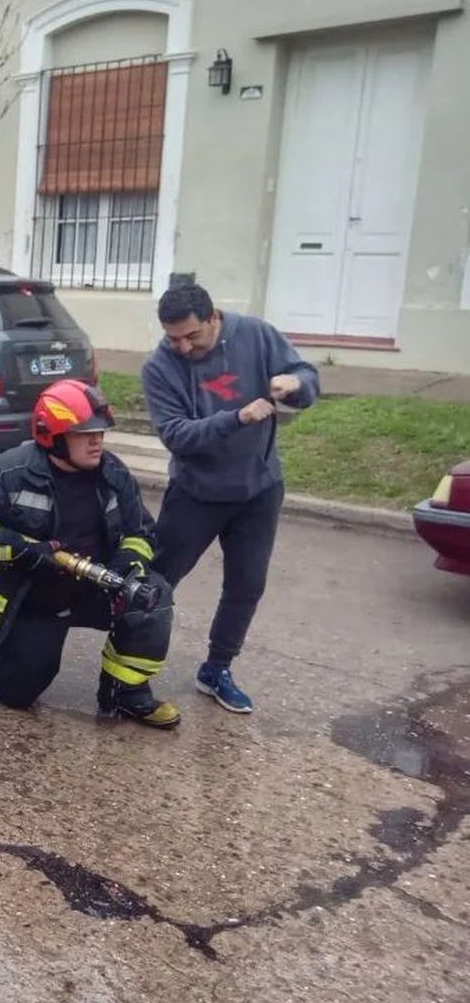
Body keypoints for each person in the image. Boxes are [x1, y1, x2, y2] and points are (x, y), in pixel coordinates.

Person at [0, 380, 180, 728]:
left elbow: (140, 531)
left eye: (100, 431)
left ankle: (124, 693)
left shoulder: (114, 474)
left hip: (92, 586)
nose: (97, 440)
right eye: (84, 433)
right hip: (31, 594)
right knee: (18, 692)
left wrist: (127, 565)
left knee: (153, 599)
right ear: (51, 435)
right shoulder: (7, 472)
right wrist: (26, 552)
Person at [142, 282, 319, 715]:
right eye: (173, 338)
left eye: (192, 336)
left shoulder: (257, 335)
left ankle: (217, 669)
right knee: (156, 580)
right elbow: (177, 436)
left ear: (214, 317)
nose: (183, 346)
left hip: (258, 488)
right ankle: (129, 666)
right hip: (195, 492)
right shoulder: (159, 368)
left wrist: (295, 383)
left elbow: (309, 379)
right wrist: (238, 417)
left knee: (246, 584)